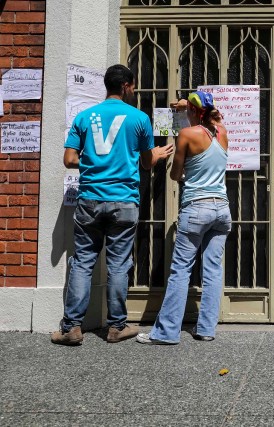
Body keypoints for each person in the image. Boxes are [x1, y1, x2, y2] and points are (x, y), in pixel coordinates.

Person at [51, 64, 174, 346]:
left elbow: (69, 160)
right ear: (127, 85)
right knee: (119, 264)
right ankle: (117, 326)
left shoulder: (84, 117)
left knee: (82, 262)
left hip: (90, 199)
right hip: (124, 200)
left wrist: (95, 163)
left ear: (107, 86)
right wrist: (155, 154)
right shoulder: (139, 118)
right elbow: (145, 162)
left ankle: (71, 328)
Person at [136, 90, 231, 345]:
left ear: (191, 110)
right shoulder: (222, 132)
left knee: (180, 270)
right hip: (222, 209)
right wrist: (187, 106)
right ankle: (207, 330)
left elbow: (175, 174)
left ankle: (166, 332)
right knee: (212, 270)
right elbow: (215, 116)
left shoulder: (188, 135)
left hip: (196, 207)